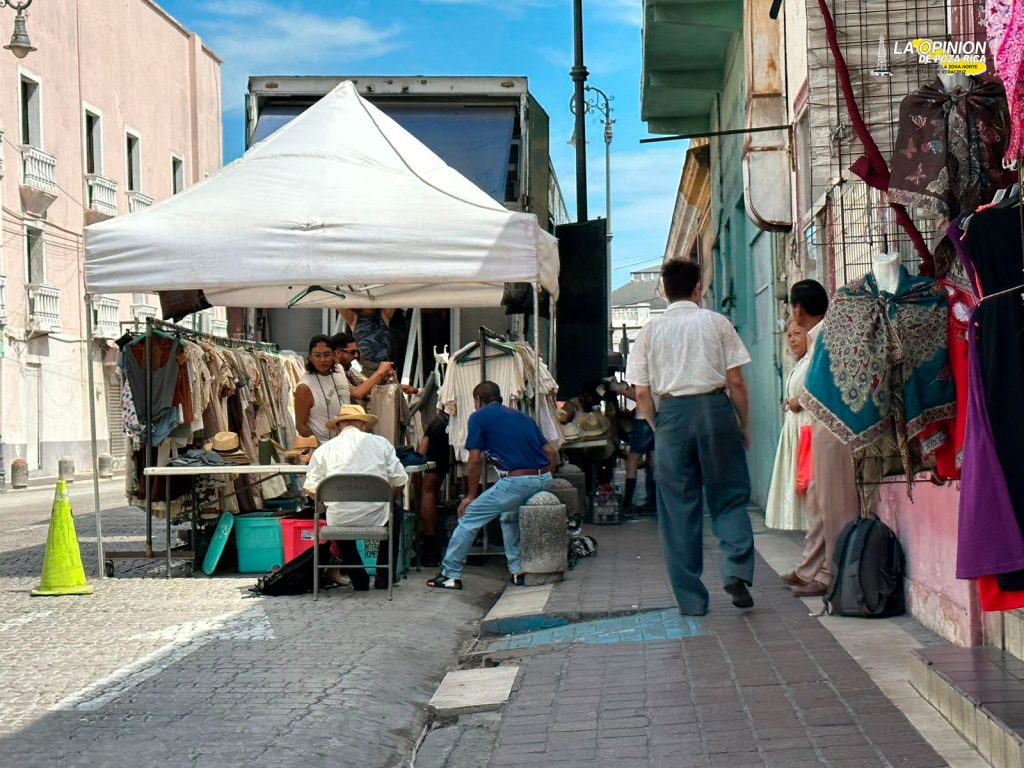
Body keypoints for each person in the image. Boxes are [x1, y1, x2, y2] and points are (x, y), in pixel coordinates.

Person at [626, 259, 755, 615]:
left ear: (663, 291)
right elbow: (737, 382)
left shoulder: (649, 332)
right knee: (728, 495)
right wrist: (743, 424)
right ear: (698, 288)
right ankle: (736, 571)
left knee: (678, 508)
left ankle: (692, 601)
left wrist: (655, 424)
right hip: (715, 410)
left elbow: (640, 392)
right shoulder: (717, 323)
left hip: (672, 416)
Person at [426, 381, 557, 590]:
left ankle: (450, 574)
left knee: (469, 517)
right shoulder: (522, 416)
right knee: (508, 517)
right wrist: (543, 475)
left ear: (478, 400)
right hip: (543, 477)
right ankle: (518, 569)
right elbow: (550, 451)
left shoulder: (478, 417)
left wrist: (470, 495)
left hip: (516, 481)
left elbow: (474, 458)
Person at [788, 279, 861, 598]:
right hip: (824, 427)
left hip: (835, 427)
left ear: (798, 309)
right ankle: (816, 568)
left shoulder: (826, 337)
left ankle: (835, 572)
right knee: (820, 498)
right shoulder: (820, 336)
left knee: (835, 501)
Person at [303, 404, 409, 591]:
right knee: (396, 512)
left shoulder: (324, 450)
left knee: (336, 513)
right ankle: (384, 577)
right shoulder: (381, 444)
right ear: (364, 425)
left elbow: (311, 488)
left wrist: (326, 506)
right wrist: (389, 502)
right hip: (377, 517)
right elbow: (400, 480)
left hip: (340, 520)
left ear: (337, 427)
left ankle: (358, 577)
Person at [764, 321, 812, 532]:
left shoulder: (814, 361)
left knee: (810, 486)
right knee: (801, 487)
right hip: (797, 431)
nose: (792, 339)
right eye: (789, 335)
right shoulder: (800, 363)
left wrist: (800, 401)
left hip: (808, 431)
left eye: (797, 334)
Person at [294, 335, 351, 444]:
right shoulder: (304, 387)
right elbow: (301, 426)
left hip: (346, 442)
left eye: (327, 355)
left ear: (334, 355)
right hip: (323, 446)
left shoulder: (340, 370)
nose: (323, 360)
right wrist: (320, 447)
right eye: (317, 355)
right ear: (310, 357)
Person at [612, 381, 656, 517]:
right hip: (655, 418)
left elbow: (641, 395)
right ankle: (653, 502)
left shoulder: (647, 377)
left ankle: (628, 502)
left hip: (643, 419)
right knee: (653, 459)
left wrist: (620, 390)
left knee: (632, 460)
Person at [416, 411, 451, 567]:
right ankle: (431, 546)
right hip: (451, 424)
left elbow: (420, 453)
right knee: (430, 490)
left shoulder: (435, 422)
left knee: (428, 490)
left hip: (440, 423)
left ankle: (429, 546)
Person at [339, 308, 396, 374]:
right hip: (365, 367)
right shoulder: (354, 318)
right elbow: (337, 301)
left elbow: (396, 299)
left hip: (385, 366)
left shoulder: (383, 316)